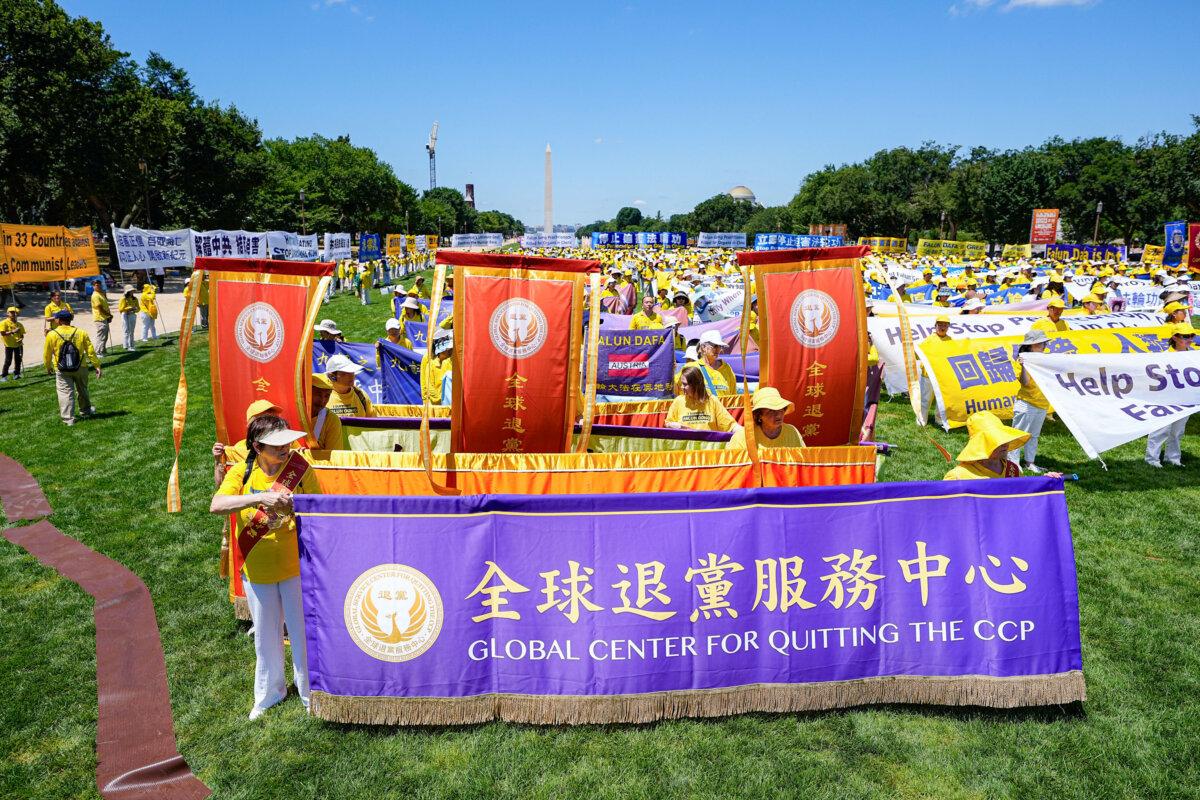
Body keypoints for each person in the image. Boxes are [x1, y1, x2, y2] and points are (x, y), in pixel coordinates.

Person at [210, 415, 317, 720]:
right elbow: (217, 504)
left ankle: (311, 693)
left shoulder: (300, 468)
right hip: (257, 566)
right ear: (257, 447)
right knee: (266, 635)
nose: (286, 448)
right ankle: (269, 694)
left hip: (297, 564)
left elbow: (321, 506)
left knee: (302, 632)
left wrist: (293, 505)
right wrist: (262, 498)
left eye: (287, 442)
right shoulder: (242, 472)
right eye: (277, 444)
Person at [1145, 322, 1196, 468]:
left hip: (1186, 398)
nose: (1190, 339)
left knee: (1178, 431)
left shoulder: (1193, 356)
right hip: (1166, 399)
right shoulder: (1164, 357)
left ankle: (1173, 458)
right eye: (1186, 336)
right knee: (1161, 429)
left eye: (1192, 336)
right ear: (1175, 337)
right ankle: (1152, 459)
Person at [42, 309, 101, 425]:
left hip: (61, 368)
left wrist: (48, 367)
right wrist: (97, 365)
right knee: (82, 389)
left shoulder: (52, 334)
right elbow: (90, 351)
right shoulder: (81, 332)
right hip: (81, 366)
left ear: (58, 320)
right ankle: (85, 410)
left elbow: (47, 354)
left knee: (65, 393)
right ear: (70, 319)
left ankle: (68, 419)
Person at [1010, 329, 1053, 474]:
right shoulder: (1021, 360)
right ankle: (1013, 464)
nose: (1043, 345)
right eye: (1040, 343)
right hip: (1026, 403)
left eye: (1043, 343)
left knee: (1034, 435)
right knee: (1019, 434)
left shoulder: (1045, 359)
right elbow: (1025, 383)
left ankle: (1030, 463)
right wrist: (1023, 367)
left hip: (1042, 403)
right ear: (1030, 346)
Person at [943, 411, 1029, 480]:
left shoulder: (1012, 469)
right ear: (982, 445)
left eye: (1004, 438)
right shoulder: (959, 476)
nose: (1004, 444)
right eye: (996, 440)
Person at [665, 365, 743, 434]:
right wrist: (675, 426)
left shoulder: (712, 401)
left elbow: (730, 426)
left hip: (707, 450)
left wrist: (745, 433)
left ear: (696, 385)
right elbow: (667, 424)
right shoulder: (678, 401)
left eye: (685, 384)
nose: (681, 387)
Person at [727, 387, 804, 449]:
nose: (778, 415)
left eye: (780, 409)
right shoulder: (743, 436)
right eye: (771, 411)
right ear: (759, 415)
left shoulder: (792, 432)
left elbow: (803, 461)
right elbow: (733, 465)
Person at [674, 329, 737, 395]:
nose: (718, 349)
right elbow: (675, 389)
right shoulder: (691, 367)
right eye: (715, 346)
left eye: (720, 346)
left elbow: (732, 396)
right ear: (703, 347)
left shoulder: (727, 368)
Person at [919, 315, 953, 427]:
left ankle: (939, 419)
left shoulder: (950, 341)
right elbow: (918, 354)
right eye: (940, 325)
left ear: (948, 327)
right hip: (927, 375)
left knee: (941, 401)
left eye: (945, 325)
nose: (942, 327)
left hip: (942, 376)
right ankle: (922, 419)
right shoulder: (929, 340)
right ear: (935, 326)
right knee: (925, 398)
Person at [309, 373, 345, 451]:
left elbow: (334, 457)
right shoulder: (293, 414)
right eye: (318, 394)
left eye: (327, 396)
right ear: (307, 393)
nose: (323, 400)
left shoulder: (332, 420)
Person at [1, 306, 25, 381]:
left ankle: (17, 374)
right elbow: (3, 333)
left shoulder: (19, 324)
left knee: (18, 360)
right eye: (11, 312)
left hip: (18, 344)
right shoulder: (3, 323)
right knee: (8, 360)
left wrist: (21, 339)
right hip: (9, 345)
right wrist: (12, 331)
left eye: (15, 313)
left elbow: (22, 334)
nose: (14, 314)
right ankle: (4, 376)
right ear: (7, 313)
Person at [90, 279, 112, 357]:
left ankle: (102, 350)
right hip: (99, 318)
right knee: (101, 336)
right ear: (93, 286)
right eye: (96, 285)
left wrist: (108, 315)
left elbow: (106, 305)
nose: (98, 286)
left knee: (105, 336)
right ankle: (98, 352)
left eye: (99, 284)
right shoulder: (95, 295)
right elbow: (100, 308)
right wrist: (109, 315)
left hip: (104, 317)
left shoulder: (101, 293)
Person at [117, 285, 138, 350]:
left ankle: (131, 345)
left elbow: (138, 308)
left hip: (132, 314)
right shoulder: (123, 298)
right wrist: (130, 308)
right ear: (127, 291)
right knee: (126, 330)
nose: (132, 292)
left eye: (132, 291)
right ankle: (126, 345)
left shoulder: (135, 298)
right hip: (125, 315)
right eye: (131, 291)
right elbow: (121, 309)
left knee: (131, 330)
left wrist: (135, 309)